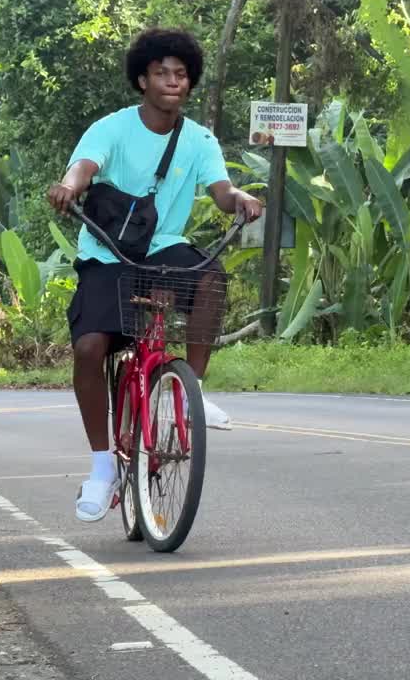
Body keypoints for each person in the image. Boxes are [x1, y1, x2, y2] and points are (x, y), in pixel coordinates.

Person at [46, 28, 264, 523]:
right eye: (162, 72)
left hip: (164, 251)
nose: (173, 81)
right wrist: (67, 185)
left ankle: (194, 397)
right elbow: (84, 167)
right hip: (108, 255)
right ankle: (102, 469)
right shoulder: (113, 128)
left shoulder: (200, 139)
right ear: (142, 79)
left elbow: (222, 191)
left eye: (181, 74)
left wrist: (241, 200)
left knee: (211, 277)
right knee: (88, 347)